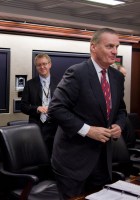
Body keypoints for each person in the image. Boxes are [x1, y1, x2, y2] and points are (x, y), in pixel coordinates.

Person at [48, 28, 127, 199]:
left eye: (117, 47)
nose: (115, 52)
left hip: (103, 160)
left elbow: (120, 110)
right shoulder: (77, 73)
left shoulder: (117, 77)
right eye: (109, 46)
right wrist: (88, 130)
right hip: (73, 161)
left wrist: (119, 125)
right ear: (93, 47)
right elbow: (56, 108)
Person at [21, 53, 58, 156]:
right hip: (36, 127)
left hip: (55, 126)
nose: (42, 67)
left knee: (54, 156)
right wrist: (37, 108)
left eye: (44, 64)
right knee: (37, 156)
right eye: (39, 65)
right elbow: (23, 106)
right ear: (36, 67)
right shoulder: (29, 84)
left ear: (50, 64)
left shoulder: (60, 83)